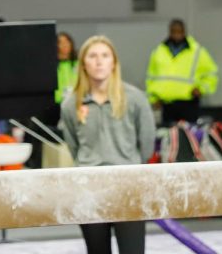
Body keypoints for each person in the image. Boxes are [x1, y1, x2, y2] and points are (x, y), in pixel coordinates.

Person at [60, 35, 155, 254]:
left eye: (105, 56)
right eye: (92, 56)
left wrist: (130, 167)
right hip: (89, 187)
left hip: (127, 185)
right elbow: (73, 145)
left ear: (114, 62)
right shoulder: (70, 104)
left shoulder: (135, 99)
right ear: (83, 63)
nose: (99, 61)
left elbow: (147, 143)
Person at [145, 19, 218, 125]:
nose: (176, 34)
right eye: (173, 31)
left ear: (184, 32)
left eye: (179, 31)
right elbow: (151, 77)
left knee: (189, 136)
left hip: (188, 103)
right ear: (169, 32)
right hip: (166, 104)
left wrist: (201, 89)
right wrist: (153, 98)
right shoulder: (159, 51)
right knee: (169, 136)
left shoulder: (197, 51)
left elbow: (211, 73)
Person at [56, 32, 79, 104]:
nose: (64, 45)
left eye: (66, 41)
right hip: (58, 101)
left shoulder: (79, 63)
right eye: (60, 42)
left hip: (76, 100)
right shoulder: (52, 64)